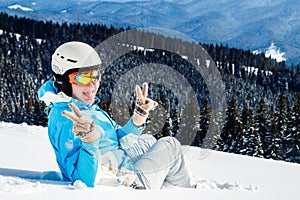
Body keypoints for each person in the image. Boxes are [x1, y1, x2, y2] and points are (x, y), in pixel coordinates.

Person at [38, 41, 197, 189]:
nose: (93, 85)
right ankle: (188, 192)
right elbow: (83, 181)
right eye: (84, 77)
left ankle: (164, 183)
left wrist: (137, 118)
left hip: (116, 167)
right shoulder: (68, 119)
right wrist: (90, 141)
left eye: (96, 76)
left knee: (148, 141)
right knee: (171, 146)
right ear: (64, 81)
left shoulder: (85, 107)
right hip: (124, 187)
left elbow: (114, 141)